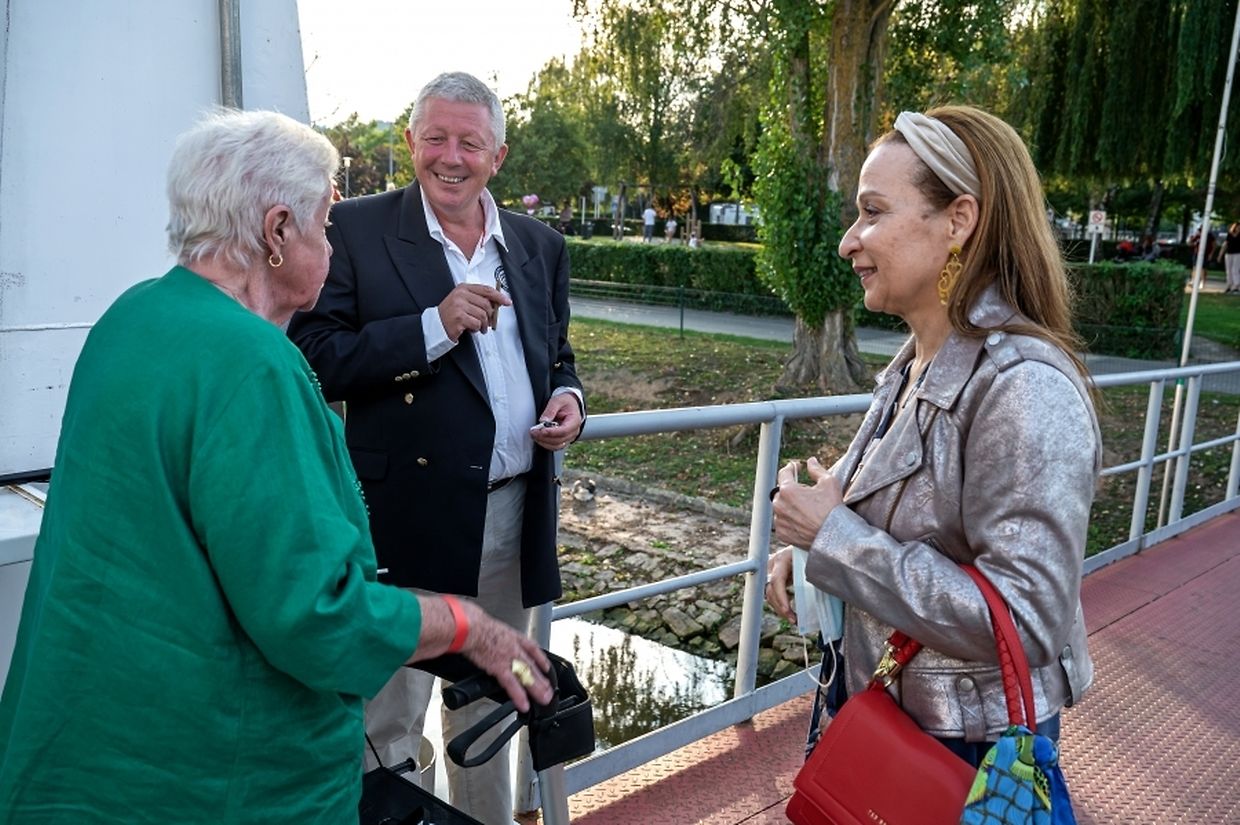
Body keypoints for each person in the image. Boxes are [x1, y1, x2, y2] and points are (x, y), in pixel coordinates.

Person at [0, 110, 552, 824]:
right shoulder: (253, 365)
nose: (331, 244)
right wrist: (466, 625)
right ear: (278, 231)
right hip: (207, 777)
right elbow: (318, 618)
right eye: (324, 225)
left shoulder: (132, 317)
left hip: (84, 750)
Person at [288, 72, 584, 825]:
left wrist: (569, 400)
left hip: (511, 516)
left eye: (469, 143)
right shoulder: (354, 229)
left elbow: (558, 355)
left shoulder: (539, 244)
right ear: (410, 141)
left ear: (498, 155)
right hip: (404, 518)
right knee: (389, 715)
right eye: (435, 139)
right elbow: (313, 357)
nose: (451, 157)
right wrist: (434, 326)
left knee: (495, 702)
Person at [765, 105, 1100, 768]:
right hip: (897, 720)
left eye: (873, 211)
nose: (849, 242)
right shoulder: (916, 361)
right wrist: (812, 554)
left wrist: (832, 538)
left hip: (967, 751)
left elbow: (1027, 618)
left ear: (959, 221)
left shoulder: (1024, 387)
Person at [1218, 222, 1240, 293]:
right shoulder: (1229, 235)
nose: (1238, 229)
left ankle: (1236, 286)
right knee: (1228, 270)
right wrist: (1220, 255)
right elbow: (1225, 245)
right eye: (1237, 227)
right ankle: (1229, 285)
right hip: (1228, 253)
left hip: (1237, 254)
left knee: (1235, 270)